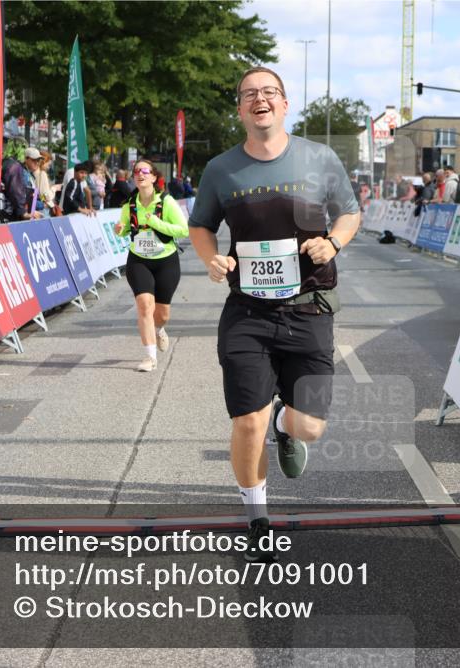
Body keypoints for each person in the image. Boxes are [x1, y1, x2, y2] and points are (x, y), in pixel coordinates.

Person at [188, 66, 360, 562]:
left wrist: (334, 241)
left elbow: (349, 212)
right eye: (249, 95)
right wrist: (211, 258)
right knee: (247, 422)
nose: (259, 100)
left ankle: (287, 424)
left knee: (310, 427)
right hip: (248, 312)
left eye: (269, 92)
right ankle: (257, 518)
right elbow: (201, 225)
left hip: (309, 309)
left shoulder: (319, 158)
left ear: (285, 104)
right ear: (240, 109)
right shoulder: (222, 169)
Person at [114, 160, 189, 372]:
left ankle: (160, 329)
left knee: (162, 313)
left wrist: (155, 222)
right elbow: (124, 228)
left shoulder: (166, 202)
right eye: (136, 171)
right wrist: (118, 229)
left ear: (154, 177)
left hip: (166, 261)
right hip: (139, 259)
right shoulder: (129, 204)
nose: (140, 174)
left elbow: (183, 230)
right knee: (145, 305)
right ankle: (149, 357)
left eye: (145, 171)